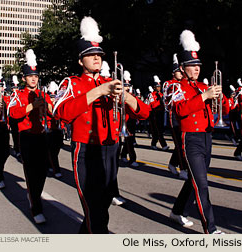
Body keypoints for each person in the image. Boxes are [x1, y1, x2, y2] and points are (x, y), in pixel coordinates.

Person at [54, 16, 150, 233]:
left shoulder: (111, 83)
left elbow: (144, 114)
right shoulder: (71, 83)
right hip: (86, 148)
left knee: (102, 206)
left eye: (98, 54)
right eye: (90, 55)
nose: (96, 57)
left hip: (111, 147)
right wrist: (96, 92)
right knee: (94, 209)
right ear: (80, 60)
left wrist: (128, 98)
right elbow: (61, 113)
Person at [170, 30, 229, 234]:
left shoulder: (204, 85)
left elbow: (227, 109)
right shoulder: (176, 88)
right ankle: (210, 229)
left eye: (198, 66)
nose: (196, 69)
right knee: (202, 184)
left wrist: (221, 98)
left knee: (194, 180)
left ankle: (178, 211)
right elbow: (179, 110)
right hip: (191, 137)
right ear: (183, 68)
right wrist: (204, 96)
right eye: (192, 66)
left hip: (207, 136)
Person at [9, 49, 53, 224]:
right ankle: (36, 207)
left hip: (42, 135)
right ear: (24, 78)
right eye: (30, 76)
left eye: (36, 75)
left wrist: (49, 107)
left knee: (42, 172)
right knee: (31, 173)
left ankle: (33, 195)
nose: (34, 78)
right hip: (26, 137)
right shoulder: (18, 95)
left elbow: (53, 113)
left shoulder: (43, 94)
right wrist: (32, 106)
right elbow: (13, 113)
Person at [163, 53, 188, 180]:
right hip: (174, 117)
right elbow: (168, 100)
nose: (181, 73)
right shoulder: (169, 84)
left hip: (184, 116)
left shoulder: (184, 83)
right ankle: (183, 168)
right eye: (179, 71)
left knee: (183, 143)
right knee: (180, 144)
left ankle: (172, 164)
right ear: (174, 72)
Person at [46, 81, 63, 178]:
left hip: (58, 129)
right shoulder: (47, 104)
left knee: (56, 149)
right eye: (51, 97)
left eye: (54, 97)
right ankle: (56, 169)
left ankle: (48, 164)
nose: (53, 99)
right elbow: (52, 114)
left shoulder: (58, 103)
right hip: (49, 129)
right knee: (52, 151)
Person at [149, 75, 169, 150]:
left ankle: (153, 143)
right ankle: (164, 145)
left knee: (160, 130)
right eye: (157, 86)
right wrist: (158, 100)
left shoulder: (162, 95)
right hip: (155, 114)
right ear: (154, 87)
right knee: (158, 130)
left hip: (161, 113)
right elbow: (152, 105)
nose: (158, 88)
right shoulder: (152, 95)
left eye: (159, 86)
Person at [8, 75, 21, 158]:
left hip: (20, 118)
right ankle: (17, 150)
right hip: (12, 119)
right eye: (14, 88)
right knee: (15, 135)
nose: (15, 90)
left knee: (21, 136)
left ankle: (20, 149)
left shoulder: (20, 96)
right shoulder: (10, 97)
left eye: (16, 88)